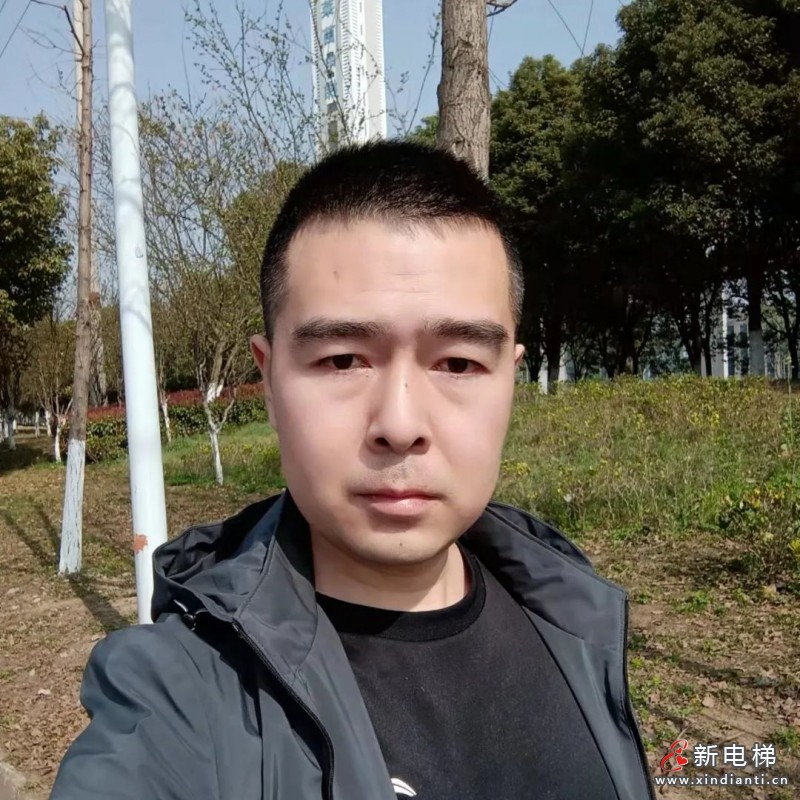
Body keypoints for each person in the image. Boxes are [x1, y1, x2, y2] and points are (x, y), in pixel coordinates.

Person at [50, 140, 655, 800]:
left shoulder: (571, 617)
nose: (400, 423)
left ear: (510, 378)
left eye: (458, 363)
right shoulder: (185, 694)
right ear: (270, 380)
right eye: (342, 360)